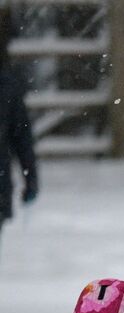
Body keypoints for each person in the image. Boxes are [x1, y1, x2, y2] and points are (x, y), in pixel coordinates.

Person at [1, 10, 39, 253]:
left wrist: (30, 177)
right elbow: (21, 135)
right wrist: (30, 177)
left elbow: (20, 134)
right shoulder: (8, 83)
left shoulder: (8, 84)